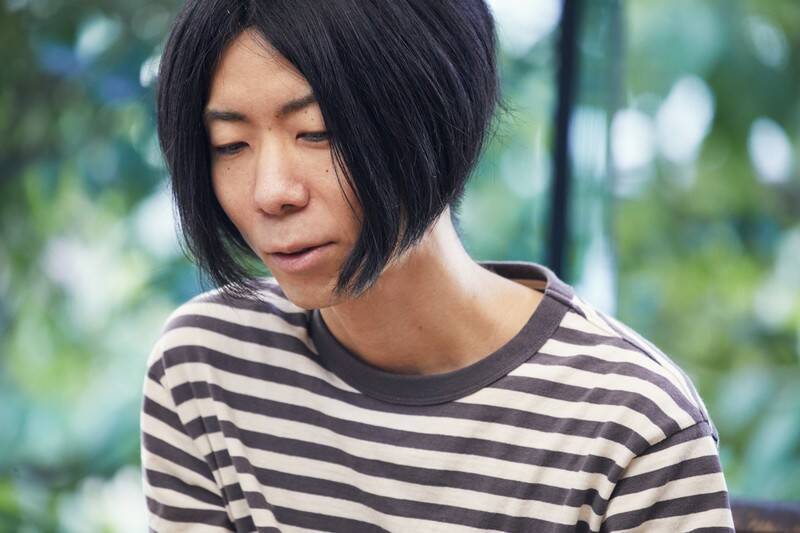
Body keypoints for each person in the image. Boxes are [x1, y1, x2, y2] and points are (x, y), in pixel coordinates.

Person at [139, 1, 736, 531]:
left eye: (316, 132)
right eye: (230, 145)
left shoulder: (633, 424)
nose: (271, 192)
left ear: (431, 115)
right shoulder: (207, 367)